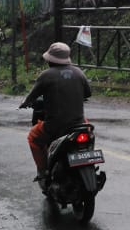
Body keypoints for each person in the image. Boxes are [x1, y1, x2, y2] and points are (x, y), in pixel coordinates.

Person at [19, 42, 92, 181]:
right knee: (88, 130)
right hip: (78, 124)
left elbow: (31, 97)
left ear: (50, 60)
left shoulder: (46, 75)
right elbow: (87, 93)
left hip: (55, 126)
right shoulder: (79, 72)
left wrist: (25, 103)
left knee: (33, 137)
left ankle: (43, 171)